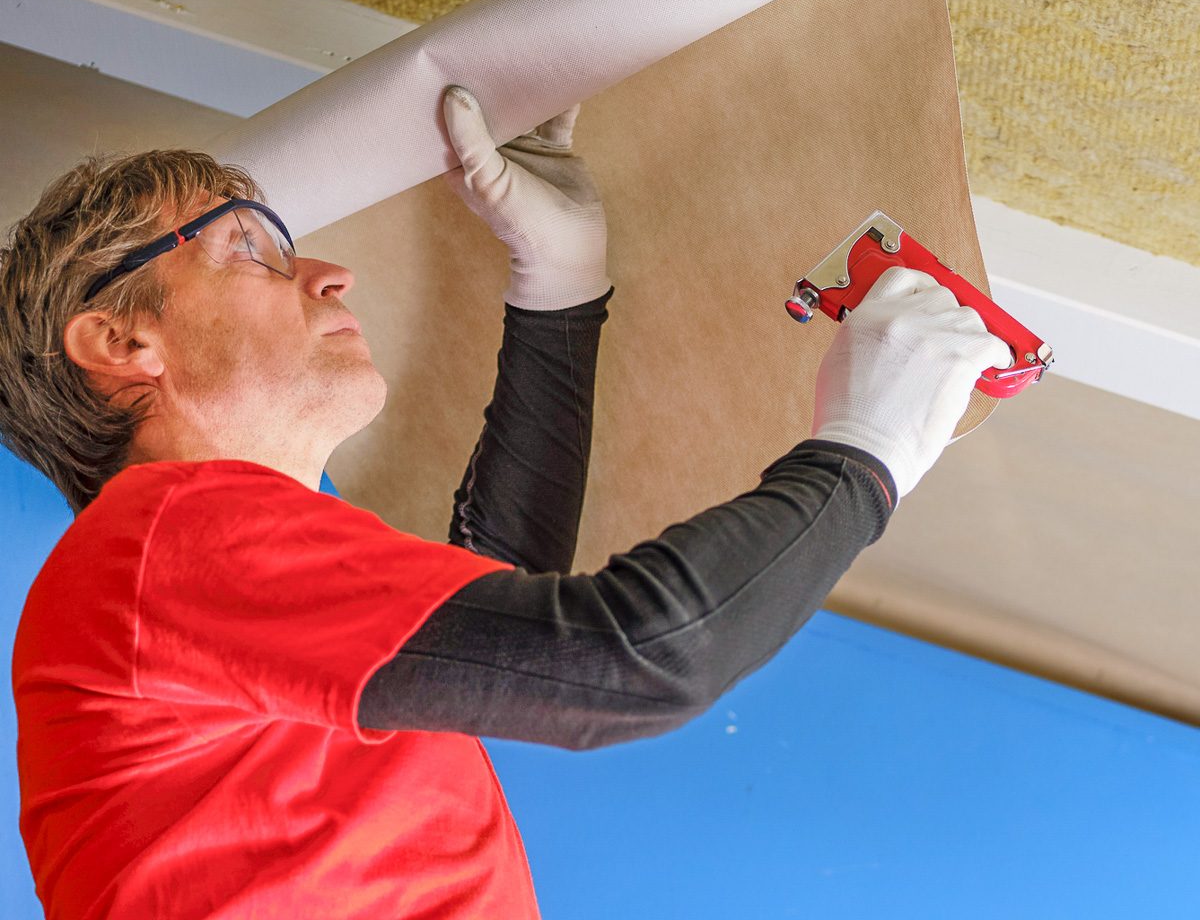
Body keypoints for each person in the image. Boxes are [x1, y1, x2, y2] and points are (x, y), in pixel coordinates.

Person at [3, 85, 1012, 919]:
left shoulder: (169, 566)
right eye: (253, 253)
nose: (328, 274)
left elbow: (506, 624)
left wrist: (561, 282)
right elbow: (628, 660)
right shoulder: (160, 545)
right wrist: (862, 452)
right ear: (122, 343)